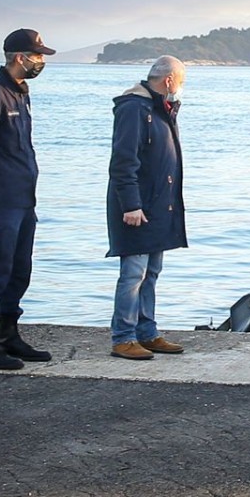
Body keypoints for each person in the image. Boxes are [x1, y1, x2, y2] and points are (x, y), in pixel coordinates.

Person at [0, 28, 56, 370]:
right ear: (20, 57)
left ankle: (9, 334)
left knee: (19, 268)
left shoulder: (19, 93)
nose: (41, 62)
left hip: (23, 198)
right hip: (2, 199)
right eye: (38, 56)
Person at [106, 56, 188, 360]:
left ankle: (147, 331)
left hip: (158, 206)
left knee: (152, 271)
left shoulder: (161, 109)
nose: (180, 88)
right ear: (168, 80)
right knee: (133, 274)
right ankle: (123, 337)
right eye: (180, 81)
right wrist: (131, 204)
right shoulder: (134, 108)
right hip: (137, 208)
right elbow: (123, 161)